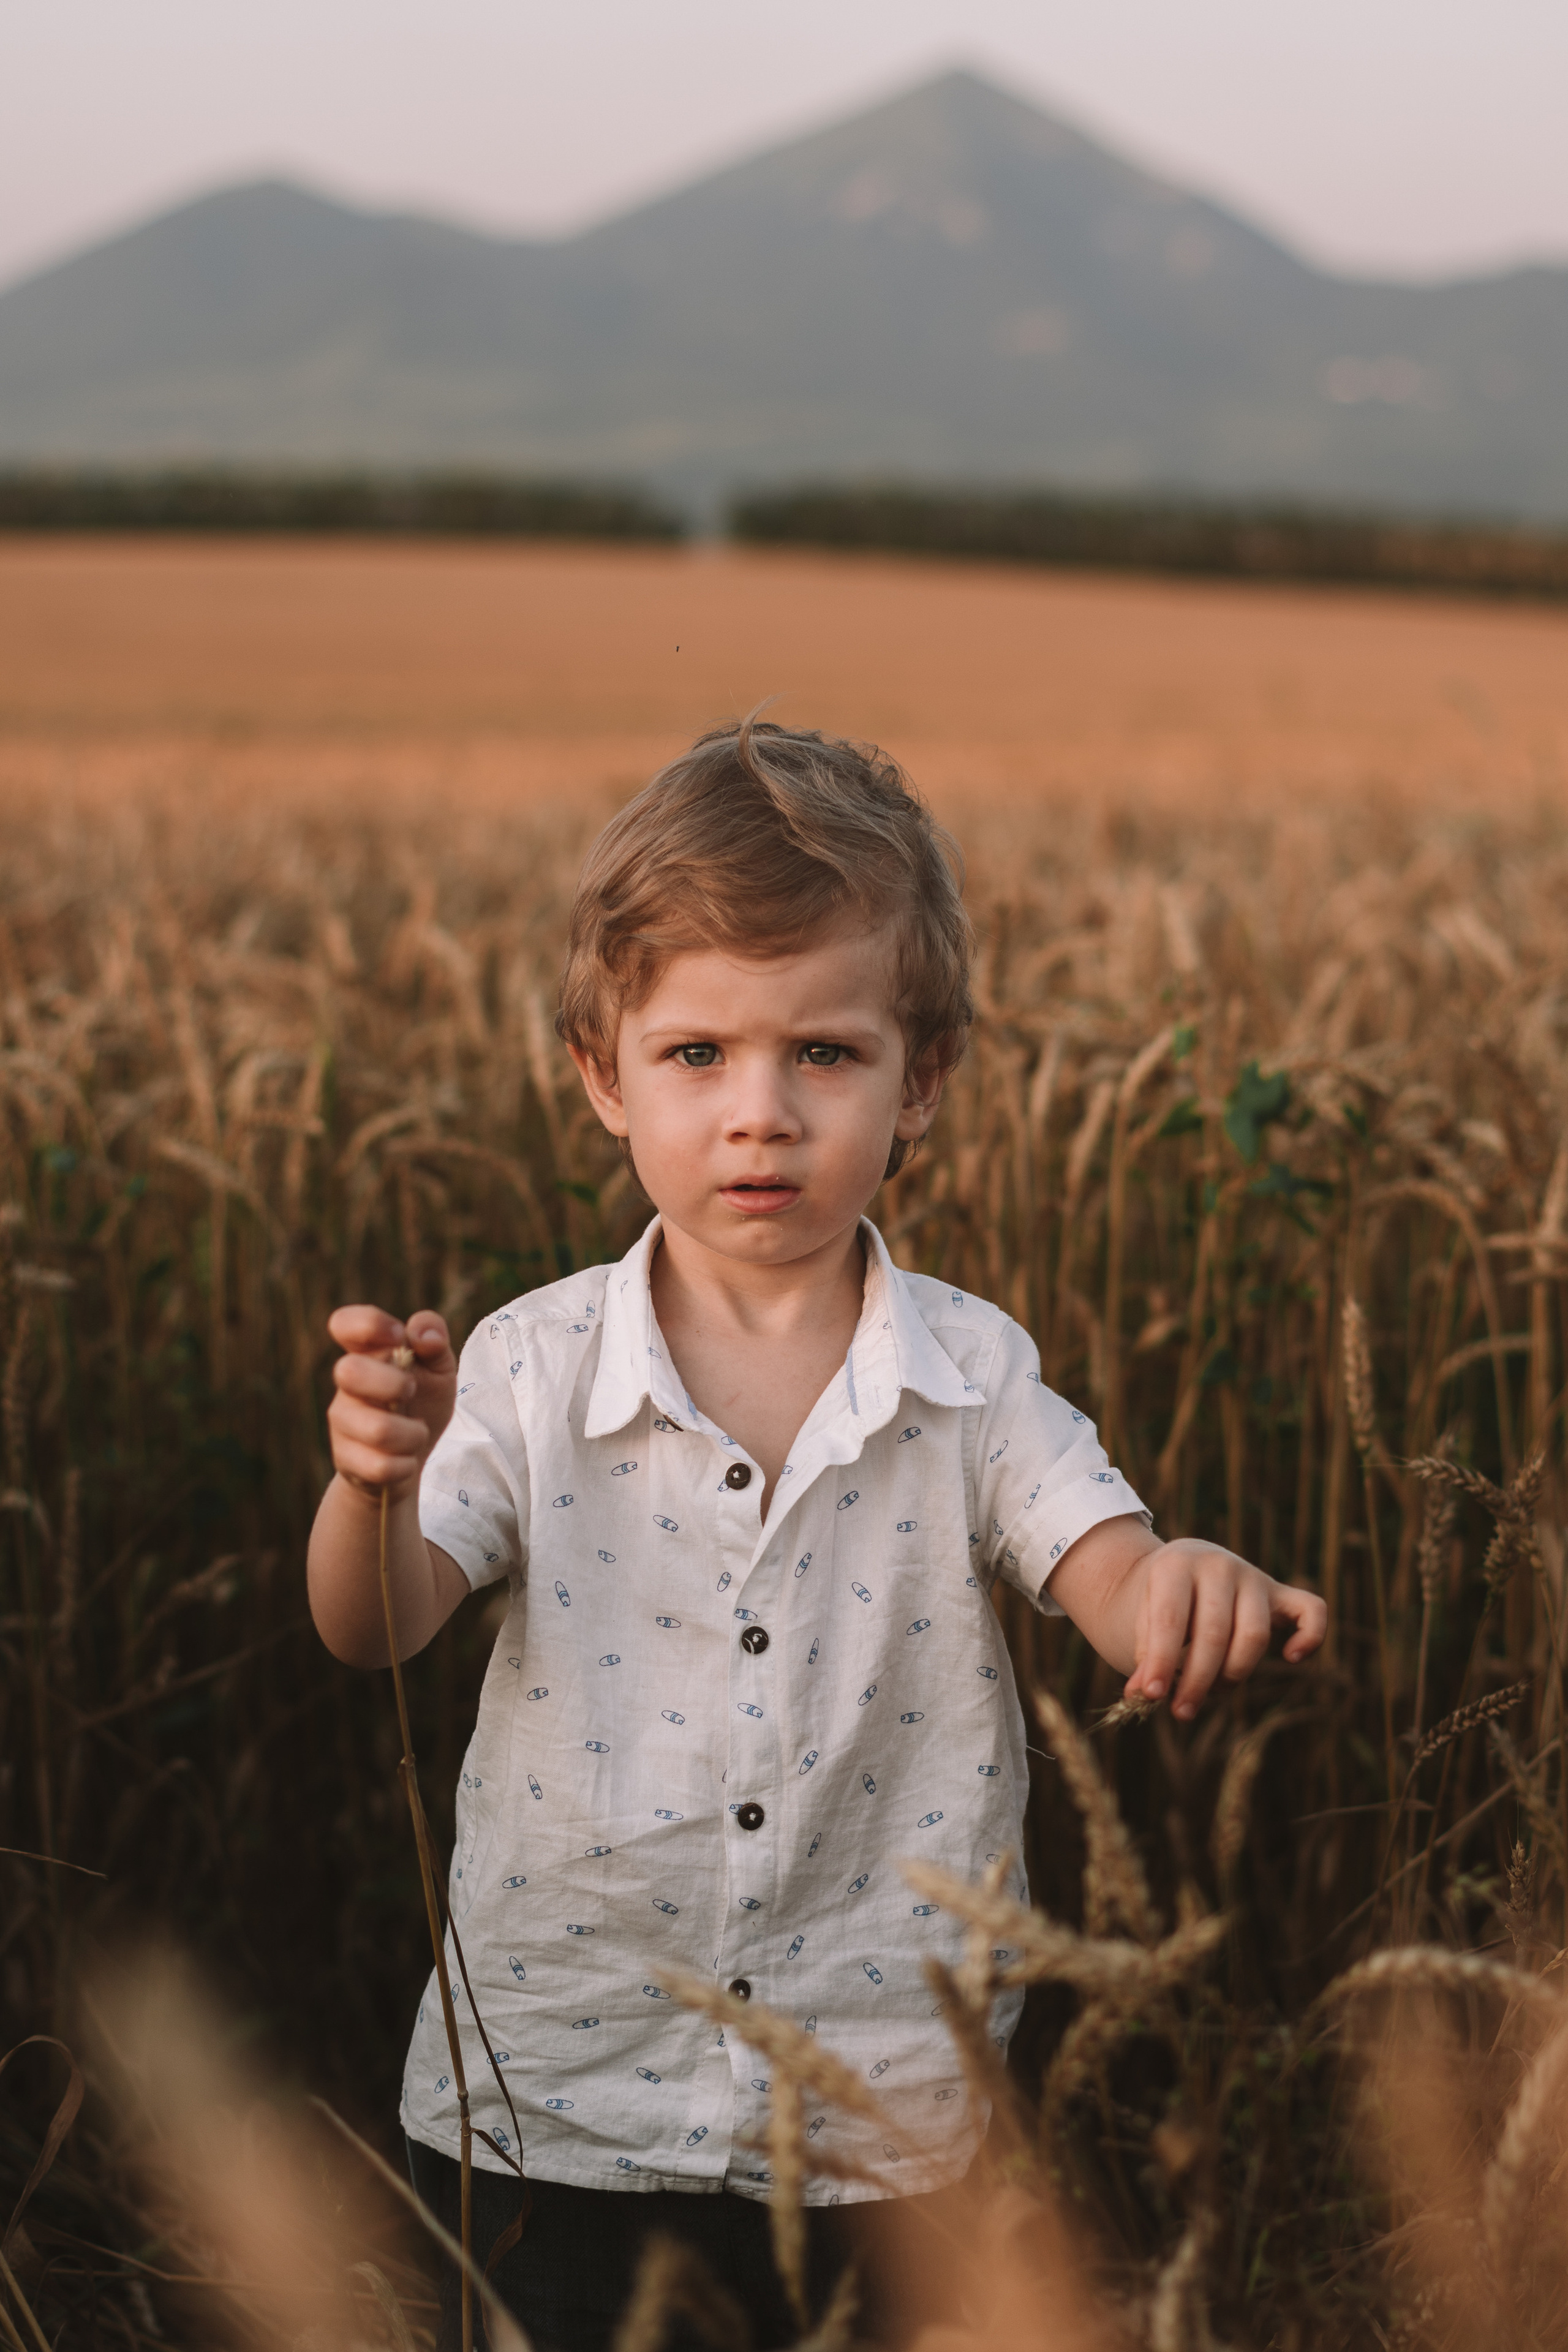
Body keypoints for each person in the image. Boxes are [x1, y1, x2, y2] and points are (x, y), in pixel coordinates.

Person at [307, 717, 1326, 2351]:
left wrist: (1188, 1587)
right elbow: (376, 1625)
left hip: (887, 2125)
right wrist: (371, 1485)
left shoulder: (975, 1374)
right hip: (554, 2104)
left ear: (922, 1082)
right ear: (601, 1075)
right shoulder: (521, 1365)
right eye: (697, 1055)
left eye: (825, 1056)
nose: (758, 1114)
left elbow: (1113, 1580)